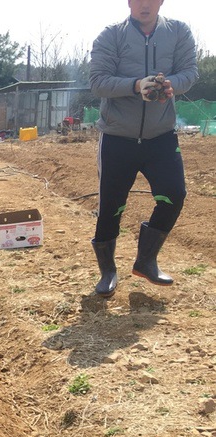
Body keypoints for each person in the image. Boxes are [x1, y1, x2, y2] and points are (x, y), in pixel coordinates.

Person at [88, 0, 198, 297]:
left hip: (160, 136)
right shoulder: (111, 36)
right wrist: (137, 85)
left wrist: (170, 84)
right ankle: (108, 271)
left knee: (174, 194)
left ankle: (146, 260)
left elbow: (190, 71)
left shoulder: (178, 32)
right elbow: (98, 81)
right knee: (111, 205)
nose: (144, 5)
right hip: (117, 137)